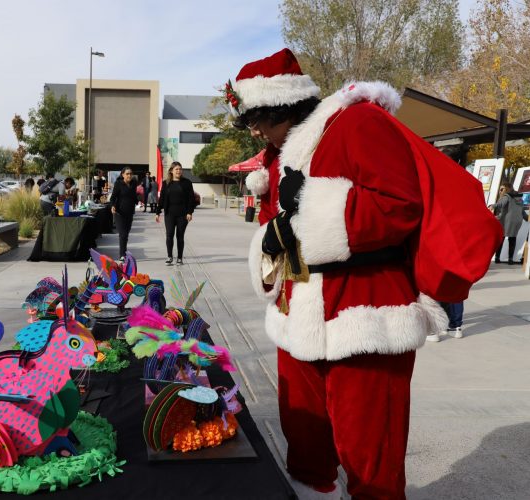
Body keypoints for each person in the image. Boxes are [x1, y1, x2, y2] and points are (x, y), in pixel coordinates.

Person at [231, 48, 451, 499]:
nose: (253, 130)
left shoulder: (357, 123)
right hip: (297, 315)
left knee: (370, 451)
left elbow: (400, 205)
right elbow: (276, 231)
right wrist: (270, 250)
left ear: (283, 105)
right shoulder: (275, 157)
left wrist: (311, 206)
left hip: (364, 313)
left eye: (257, 118)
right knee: (305, 444)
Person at [155, 162, 195, 265]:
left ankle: (180, 258)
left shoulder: (187, 183)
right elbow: (162, 198)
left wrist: (190, 212)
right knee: (169, 235)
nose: (179, 171)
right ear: (171, 171)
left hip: (183, 214)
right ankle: (169, 257)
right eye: (176, 169)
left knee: (180, 236)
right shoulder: (166, 183)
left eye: (180, 169)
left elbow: (191, 199)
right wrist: (157, 212)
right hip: (169, 214)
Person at [109, 167, 137, 261]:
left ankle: (124, 252)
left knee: (126, 234)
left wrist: (137, 201)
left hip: (129, 212)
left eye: (131, 173)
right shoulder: (118, 184)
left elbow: (133, 195)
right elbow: (113, 197)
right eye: (127, 174)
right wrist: (112, 206)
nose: (129, 175)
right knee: (123, 234)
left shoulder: (133, 183)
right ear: (123, 175)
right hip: (119, 213)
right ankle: (122, 255)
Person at [493, 182, 526, 264]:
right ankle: (510, 259)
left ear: (507, 189)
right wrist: (526, 217)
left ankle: (497, 257)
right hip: (517, 221)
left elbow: (500, 204)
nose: (500, 191)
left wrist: (492, 205)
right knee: (512, 238)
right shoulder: (520, 198)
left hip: (506, 220)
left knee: (501, 238)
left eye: (502, 189)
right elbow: (522, 211)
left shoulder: (507, 196)